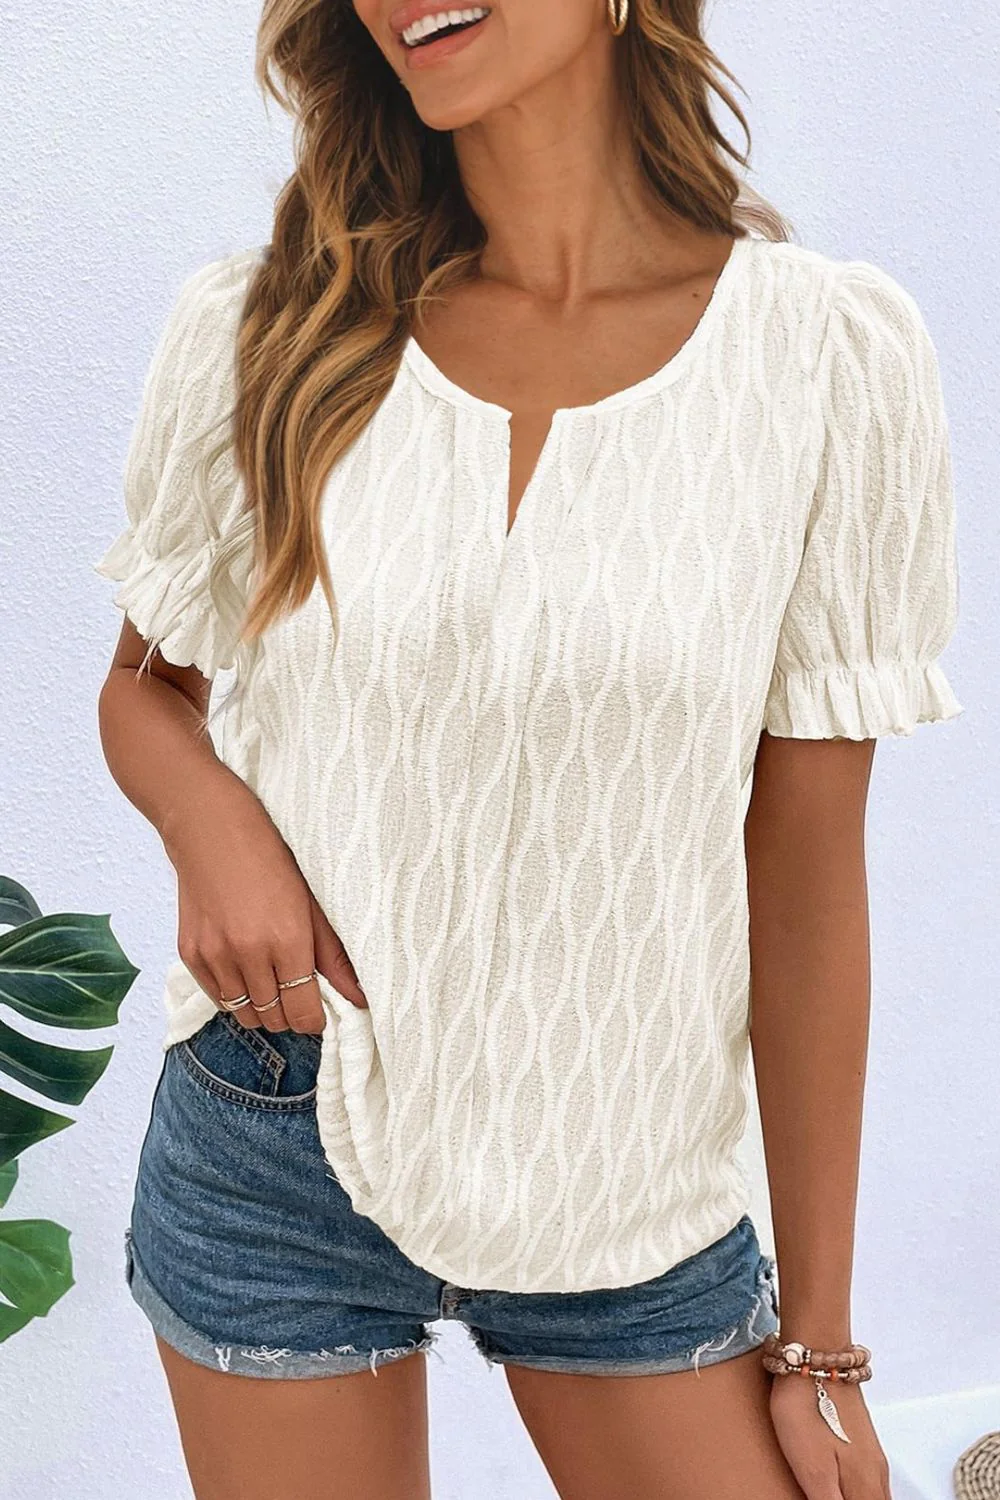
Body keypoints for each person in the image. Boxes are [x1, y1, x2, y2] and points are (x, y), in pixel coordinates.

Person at [94, 1, 963, 1497]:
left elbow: (809, 877)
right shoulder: (276, 328)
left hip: (630, 1181)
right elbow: (143, 690)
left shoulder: (823, 358)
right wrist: (211, 826)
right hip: (279, 1124)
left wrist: (819, 1344)